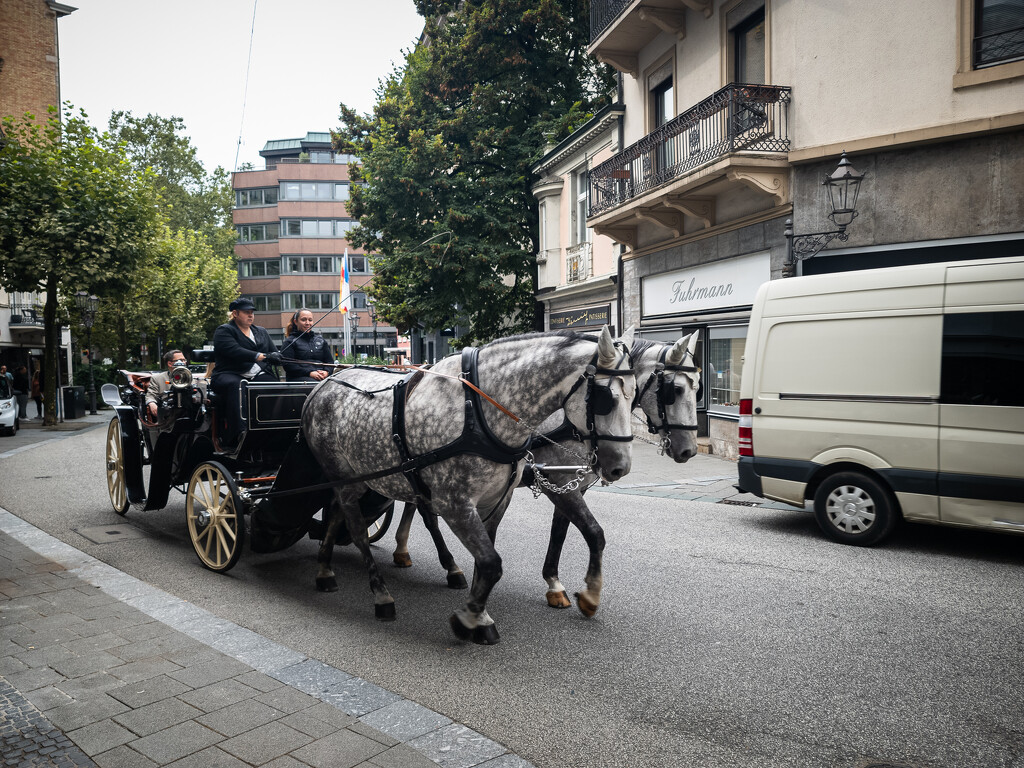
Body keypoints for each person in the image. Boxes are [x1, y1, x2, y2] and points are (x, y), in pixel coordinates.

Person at [211, 297, 280, 447]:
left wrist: (278, 357)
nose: (251, 315)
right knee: (239, 385)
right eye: (246, 312)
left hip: (256, 374)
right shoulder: (224, 330)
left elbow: (273, 352)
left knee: (274, 385)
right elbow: (234, 350)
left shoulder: (260, 331)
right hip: (228, 374)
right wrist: (258, 356)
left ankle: (273, 428)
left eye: (252, 312)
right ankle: (239, 433)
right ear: (235, 314)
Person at [281, 308, 334, 381]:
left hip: (322, 377)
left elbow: (330, 362)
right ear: (296, 322)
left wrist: (326, 372)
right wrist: (310, 373)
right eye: (303, 320)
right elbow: (288, 366)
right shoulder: (289, 342)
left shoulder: (321, 340)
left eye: (310, 320)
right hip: (299, 379)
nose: (307, 323)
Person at [145, 349, 188, 424]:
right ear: (170, 363)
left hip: (188, 410)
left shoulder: (191, 377)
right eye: (180, 360)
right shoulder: (157, 378)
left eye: (184, 360)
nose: (183, 363)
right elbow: (150, 395)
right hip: (167, 414)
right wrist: (151, 403)